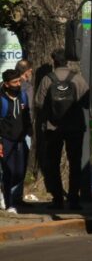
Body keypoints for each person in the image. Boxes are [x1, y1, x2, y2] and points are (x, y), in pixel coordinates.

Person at [35, 49, 89, 210]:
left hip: (53, 128)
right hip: (75, 127)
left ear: (54, 62)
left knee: (53, 163)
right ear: (68, 61)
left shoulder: (47, 79)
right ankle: (74, 199)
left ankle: (57, 198)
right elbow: (86, 102)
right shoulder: (77, 79)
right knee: (75, 163)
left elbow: (38, 103)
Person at [0, 69, 33, 214]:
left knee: (19, 172)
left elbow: (26, 116)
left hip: (20, 139)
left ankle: (3, 189)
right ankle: (9, 203)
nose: (18, 84)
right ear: (6, 84)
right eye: (14, 82)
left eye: (19, 81)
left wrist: (29, 130)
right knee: (9, 171)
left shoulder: (22, 96)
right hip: (5, 139)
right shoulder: (1, 99)